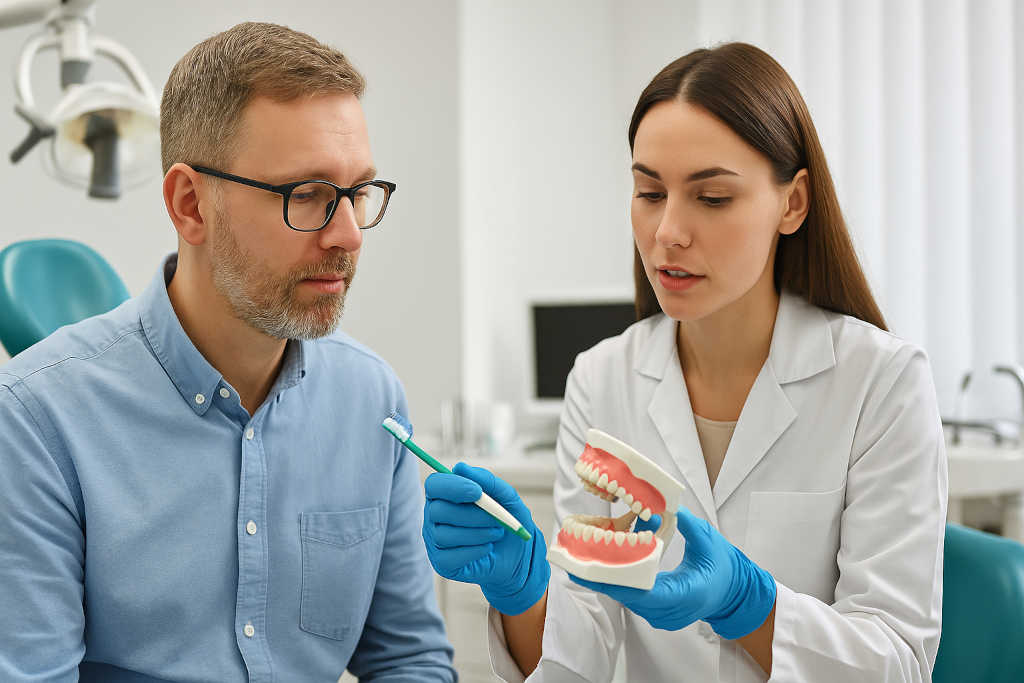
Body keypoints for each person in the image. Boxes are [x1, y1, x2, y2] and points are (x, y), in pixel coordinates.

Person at [423, 42, 946, 682]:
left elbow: (898, 664)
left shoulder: (881, 384)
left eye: (713, 198)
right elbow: (576, 657)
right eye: (649, 191)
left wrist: (749, 604)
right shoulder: (600, 379)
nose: (668, 230)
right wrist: (521, 596)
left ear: (793, 203)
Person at [0, 22, 455, 682]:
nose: (350, 233)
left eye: (358, 192)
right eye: (308, 196)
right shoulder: (36, 419)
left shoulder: (370, 400)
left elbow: (410, 659)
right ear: (190, 205)